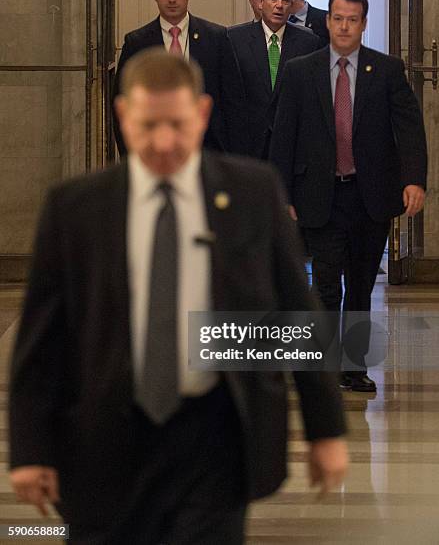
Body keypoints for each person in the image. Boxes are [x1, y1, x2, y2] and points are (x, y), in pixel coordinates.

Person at [9, 49, 348, 544]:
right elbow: (41, 342)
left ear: (202, 114)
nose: (164, 142)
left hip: (215, 437)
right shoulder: (76, 207)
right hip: (104, 436)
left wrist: (325, 429)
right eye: (148, 126)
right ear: (123, 114)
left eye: (178, 124)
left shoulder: (253, 193)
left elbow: (298, 315)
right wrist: (29, 449)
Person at [269, 0, 428, 392]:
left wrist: (413, 180)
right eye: (337, 18)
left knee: (360, 283)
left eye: (352, 19)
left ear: (363, 23)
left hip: (369, 195)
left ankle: (353, 367)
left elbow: (409, 129)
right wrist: (282, 193)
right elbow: (284, 135)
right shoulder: (300, 70)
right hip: (319, 193)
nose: (343, 26)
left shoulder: (386, 70)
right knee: (324, 282)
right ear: (327, 20)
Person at [112, 0, 247, 156]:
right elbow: (122, 99)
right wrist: (131, 155)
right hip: (153, 147)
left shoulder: (216, 37)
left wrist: (233, 157)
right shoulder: (137, 42)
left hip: (209, 148)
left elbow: (234, 102)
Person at [228, 0, 320, 158]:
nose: (279, 5)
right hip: (246, 145)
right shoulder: (234, 38)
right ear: (260, 2)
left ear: (292, 5)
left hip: (292, 144)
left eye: (285, 0)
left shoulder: (308, 42)